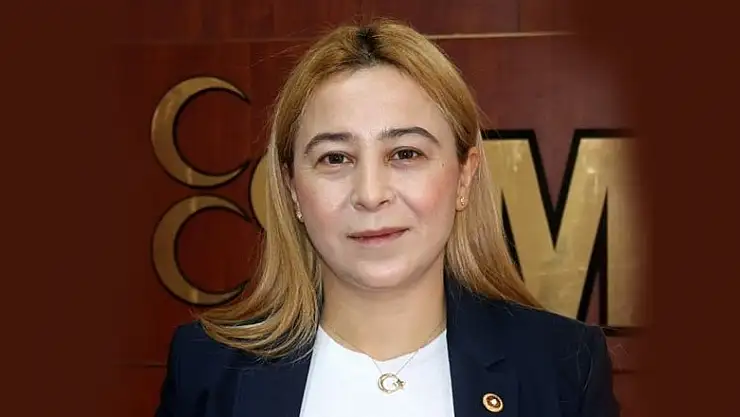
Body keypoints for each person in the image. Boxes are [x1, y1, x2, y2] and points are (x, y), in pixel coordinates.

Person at [155, 19, 620, 417]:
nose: (370, 194)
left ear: (464, 176)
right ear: (293, 189)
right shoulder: (206, 371)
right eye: (335, 158)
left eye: (405, 153)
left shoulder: (564, 369)